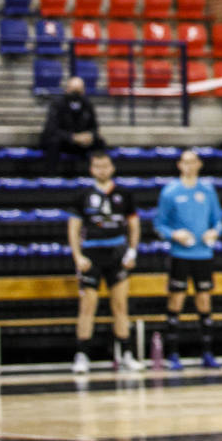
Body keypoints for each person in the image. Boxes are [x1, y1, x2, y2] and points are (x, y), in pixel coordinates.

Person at [68, 151, 141, 373]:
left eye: (106, 166)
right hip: (92, 254)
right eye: (98, 166)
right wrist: (78, 256)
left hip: (117, 254)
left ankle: (127, 354)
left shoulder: (123, 193)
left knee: (120, 305)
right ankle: (82, 355)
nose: (102, 170)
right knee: (88, 306)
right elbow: (74, 228)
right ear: (92, 169)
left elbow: (134, 225)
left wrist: (132, 252)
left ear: (112, 168)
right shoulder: (83, 194)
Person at [154, 148, 222, 370]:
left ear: (199, 164)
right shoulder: (170, 192)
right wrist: (175, 234)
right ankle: (173, 354)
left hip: (203, 254)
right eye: (185, 162)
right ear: (179, 165)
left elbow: (218, 221)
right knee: (176, 301)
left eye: (193, 162)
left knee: (204, 301)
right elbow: (159, 224)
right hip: (180, 254)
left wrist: (214, 233)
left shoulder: (208, 190)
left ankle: (207, 352)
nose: (189, 166)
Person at [41, 76, 105, 174]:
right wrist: (72, 137)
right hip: (64, 142)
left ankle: (99, 175)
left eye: (78, 91)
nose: (76, 94)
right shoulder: (57, 104)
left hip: (82, 143)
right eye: (73, 90)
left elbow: (95, 128)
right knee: (53, 142)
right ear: (67, 89)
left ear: (83, 91)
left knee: (100, 142)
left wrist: (89, 135)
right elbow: (51, 129)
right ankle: (51, 176)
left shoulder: (88, 104)